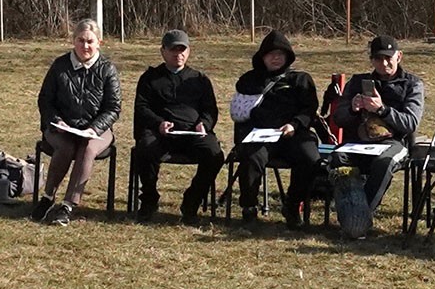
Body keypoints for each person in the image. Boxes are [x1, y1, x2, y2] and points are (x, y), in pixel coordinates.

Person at [224, 29, 324, 226]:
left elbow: (310, 109)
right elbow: (240, 111)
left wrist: (294, 124)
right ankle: (249, 207)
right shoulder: (249, 80)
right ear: (262, 57)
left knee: (310, 159)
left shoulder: (301, 79)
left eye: (281, 54)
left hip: (293, 133)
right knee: (252, 157)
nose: (276, 58)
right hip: (260, 134)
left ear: (288, 56)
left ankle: (293, 205)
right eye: (271, 54)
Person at [129, 29, 224, 225]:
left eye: (183, 50)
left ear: (188, 52)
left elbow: (210, 110)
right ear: (163, 51)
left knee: (214, 154)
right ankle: (148, 199)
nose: (178, 54)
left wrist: (203, 124)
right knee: (144, 148)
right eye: (173, 49)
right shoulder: (151, 78)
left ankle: (191, 202)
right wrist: (158, 123)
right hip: (160, 134)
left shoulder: (199, 79)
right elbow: (142, 107)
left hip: (192, 134)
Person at [34, 19, 122, 225]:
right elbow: (45, 100)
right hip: (61, 128)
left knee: (88, 148)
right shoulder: (60, 66)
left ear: (99, 42)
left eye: (90, 41)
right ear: (73, 41)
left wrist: (95, 128)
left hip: (97, 129)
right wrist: (57, 121)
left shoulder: (107, 69)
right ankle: (47, 198)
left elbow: (113, 108)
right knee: (65, 148)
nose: (85, 46)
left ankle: (68, 205)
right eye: (80, 41)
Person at [332, 35, 427, 224]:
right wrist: (352, 108)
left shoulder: (412, 84)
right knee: (337, 158)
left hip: (394, 143)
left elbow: (410, 123)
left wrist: (382, 110)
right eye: (378, 58)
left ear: (399, 57)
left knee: (384, 162)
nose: (383, 63)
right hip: (358, 142)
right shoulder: (358, 82)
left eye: (388, 58)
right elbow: (338, 119)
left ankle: (360, 215)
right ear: (372, 60)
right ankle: (352, 211)